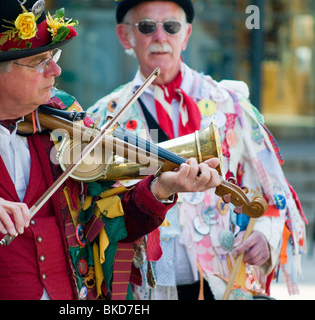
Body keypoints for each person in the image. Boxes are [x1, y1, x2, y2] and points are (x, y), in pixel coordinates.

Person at [0, 0, 221, 300]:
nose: (56, 71)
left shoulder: (68, 115)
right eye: (39, 62)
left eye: (54, 58)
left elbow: (105, 220)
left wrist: (162, 189)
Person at [89, 0, 307, 300]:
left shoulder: (229, 102)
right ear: (125, 36)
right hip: (144, 288)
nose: (160, 37)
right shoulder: (104, 117)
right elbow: (94, 209)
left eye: (171, 26)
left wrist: (265, 235)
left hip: (222, 279)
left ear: (187, 34)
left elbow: (274, 191)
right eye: (147, 27)